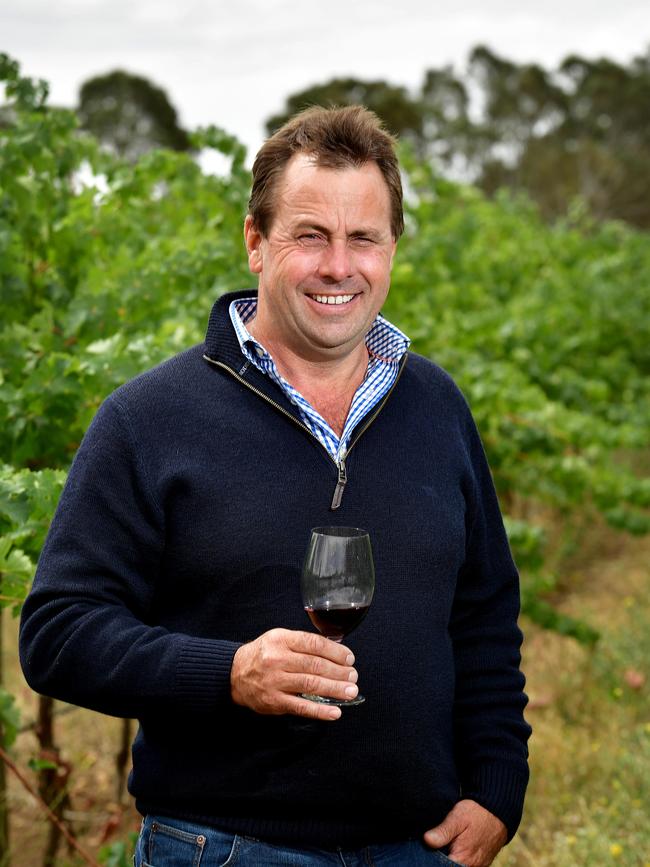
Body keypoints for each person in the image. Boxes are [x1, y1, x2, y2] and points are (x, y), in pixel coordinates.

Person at [20, 105, 531, 867]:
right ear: (255, 242)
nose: (338, 266)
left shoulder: (437, 405)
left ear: (392, 249)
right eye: (310, 236)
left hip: (419, 847)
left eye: (364, 238)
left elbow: (484, 611)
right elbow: (57, 632)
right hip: (222, 848)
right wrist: (227, 672)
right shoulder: (148, 417)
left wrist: (498, 786)